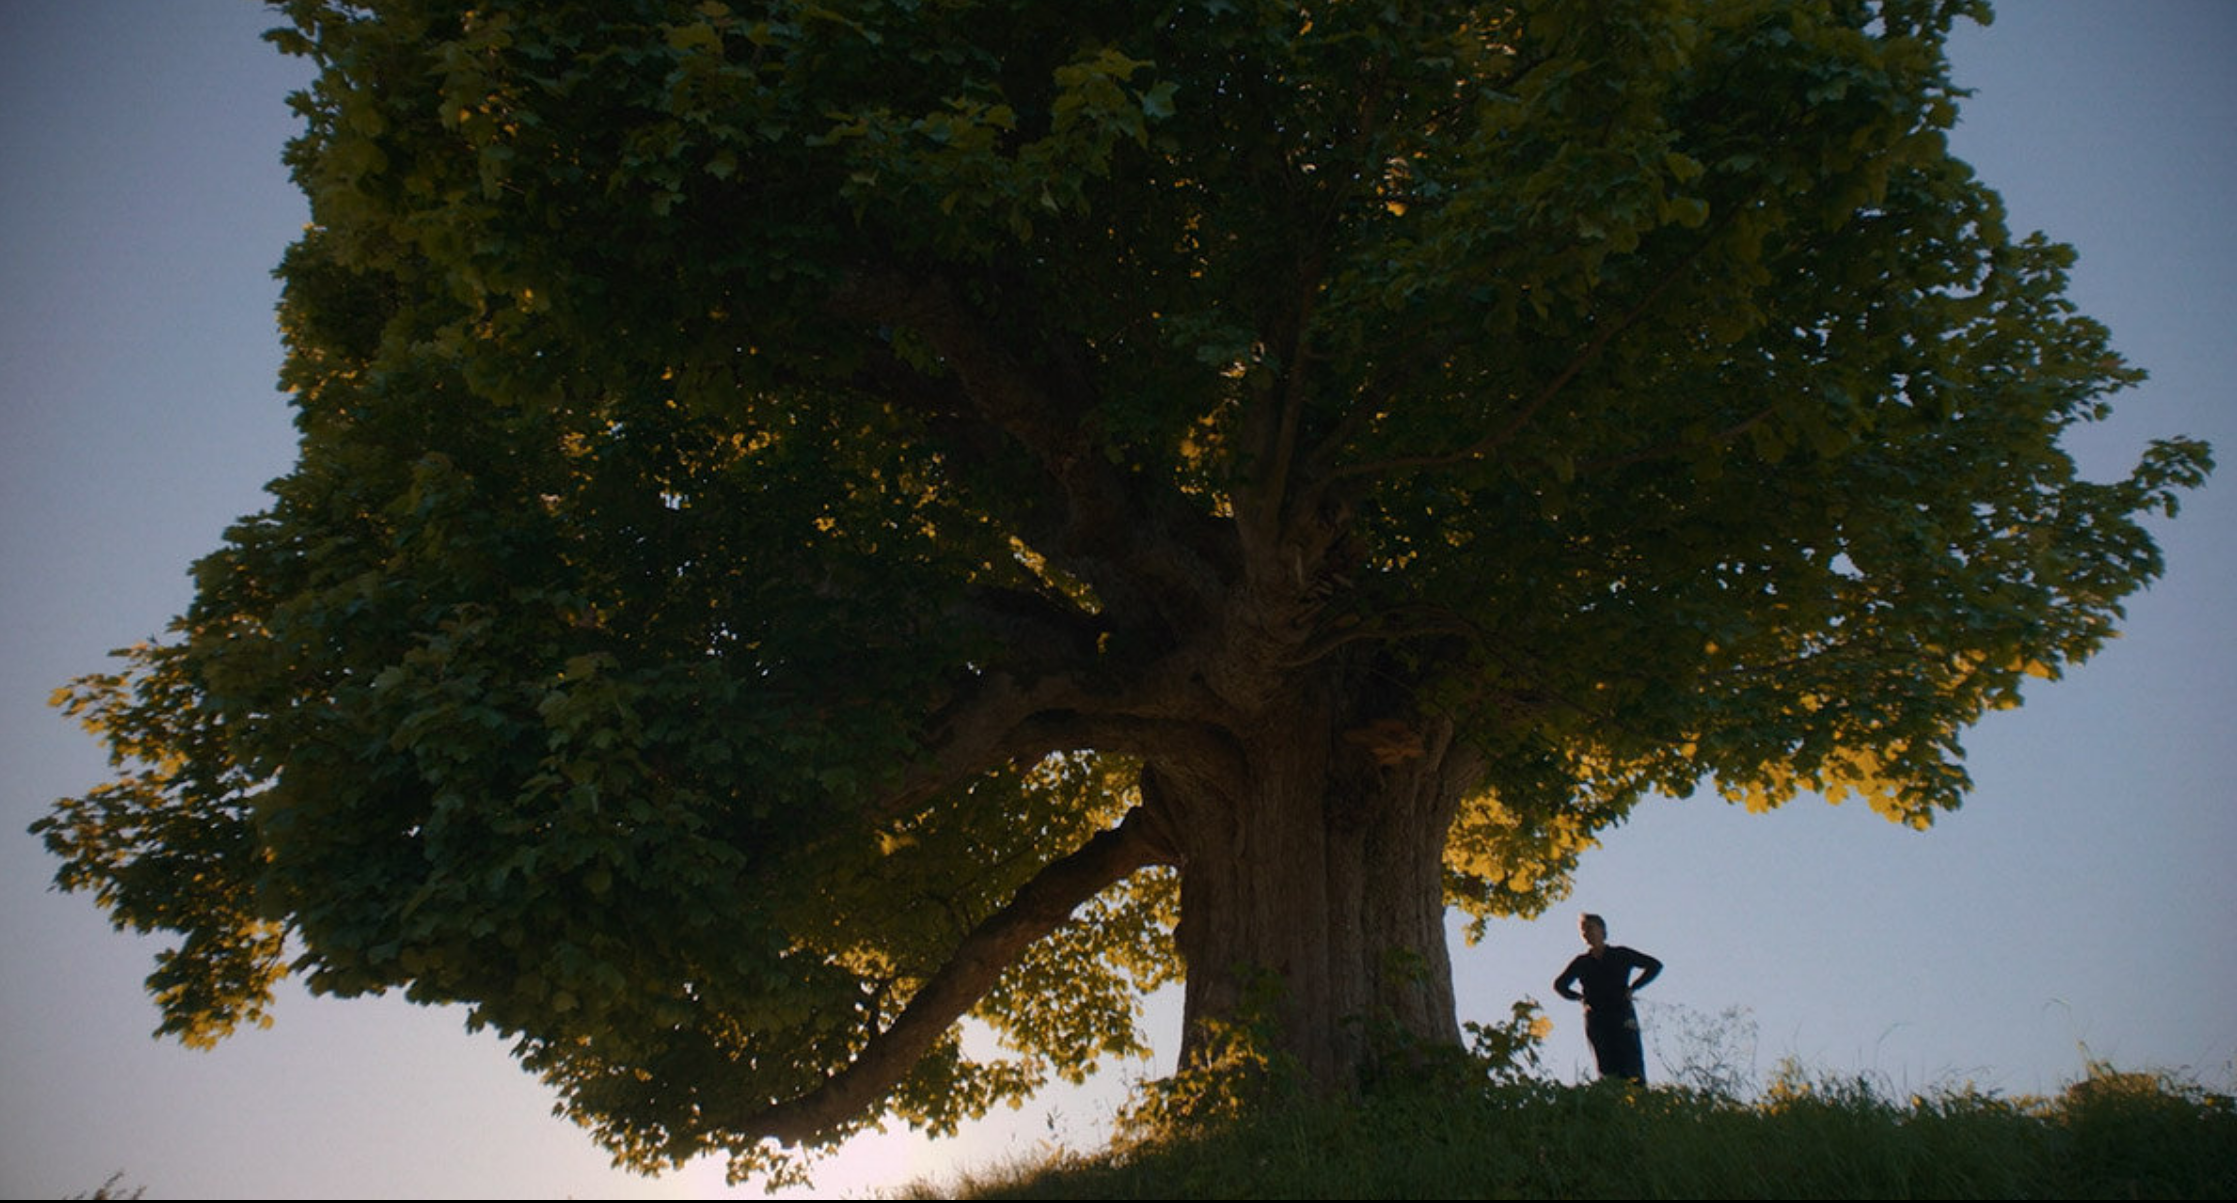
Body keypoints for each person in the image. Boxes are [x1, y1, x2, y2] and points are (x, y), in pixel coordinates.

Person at [1553, 912, 1662, 1083]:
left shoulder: (1620, 954)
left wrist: (1634, 987)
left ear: (1602, 931)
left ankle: (1638, 1100)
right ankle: (1612, 1100)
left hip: (1622, 1014)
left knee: (1631, 1063)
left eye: (1590, 928)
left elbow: (1654, 965)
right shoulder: (1582, 962)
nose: (1586, 933)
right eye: (1583, 930)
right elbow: (1560, 985)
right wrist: (1579, 998)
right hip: (1597, 1017)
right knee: (1606, 1065)